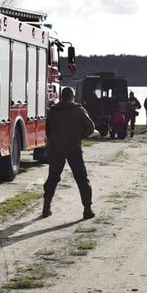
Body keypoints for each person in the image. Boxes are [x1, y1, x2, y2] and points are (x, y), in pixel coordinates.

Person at [42, 87, 96, 220]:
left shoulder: (53, 111)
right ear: (72, 96)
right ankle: (87, 209)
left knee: (53, 177)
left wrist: (54, 140)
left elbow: (47, 130)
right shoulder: (78, 110)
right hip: (73, 147)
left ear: (61, 96)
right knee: (81, 178)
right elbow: (91, 127)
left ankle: (46, 207)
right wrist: (80, 136)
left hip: (56, 149)